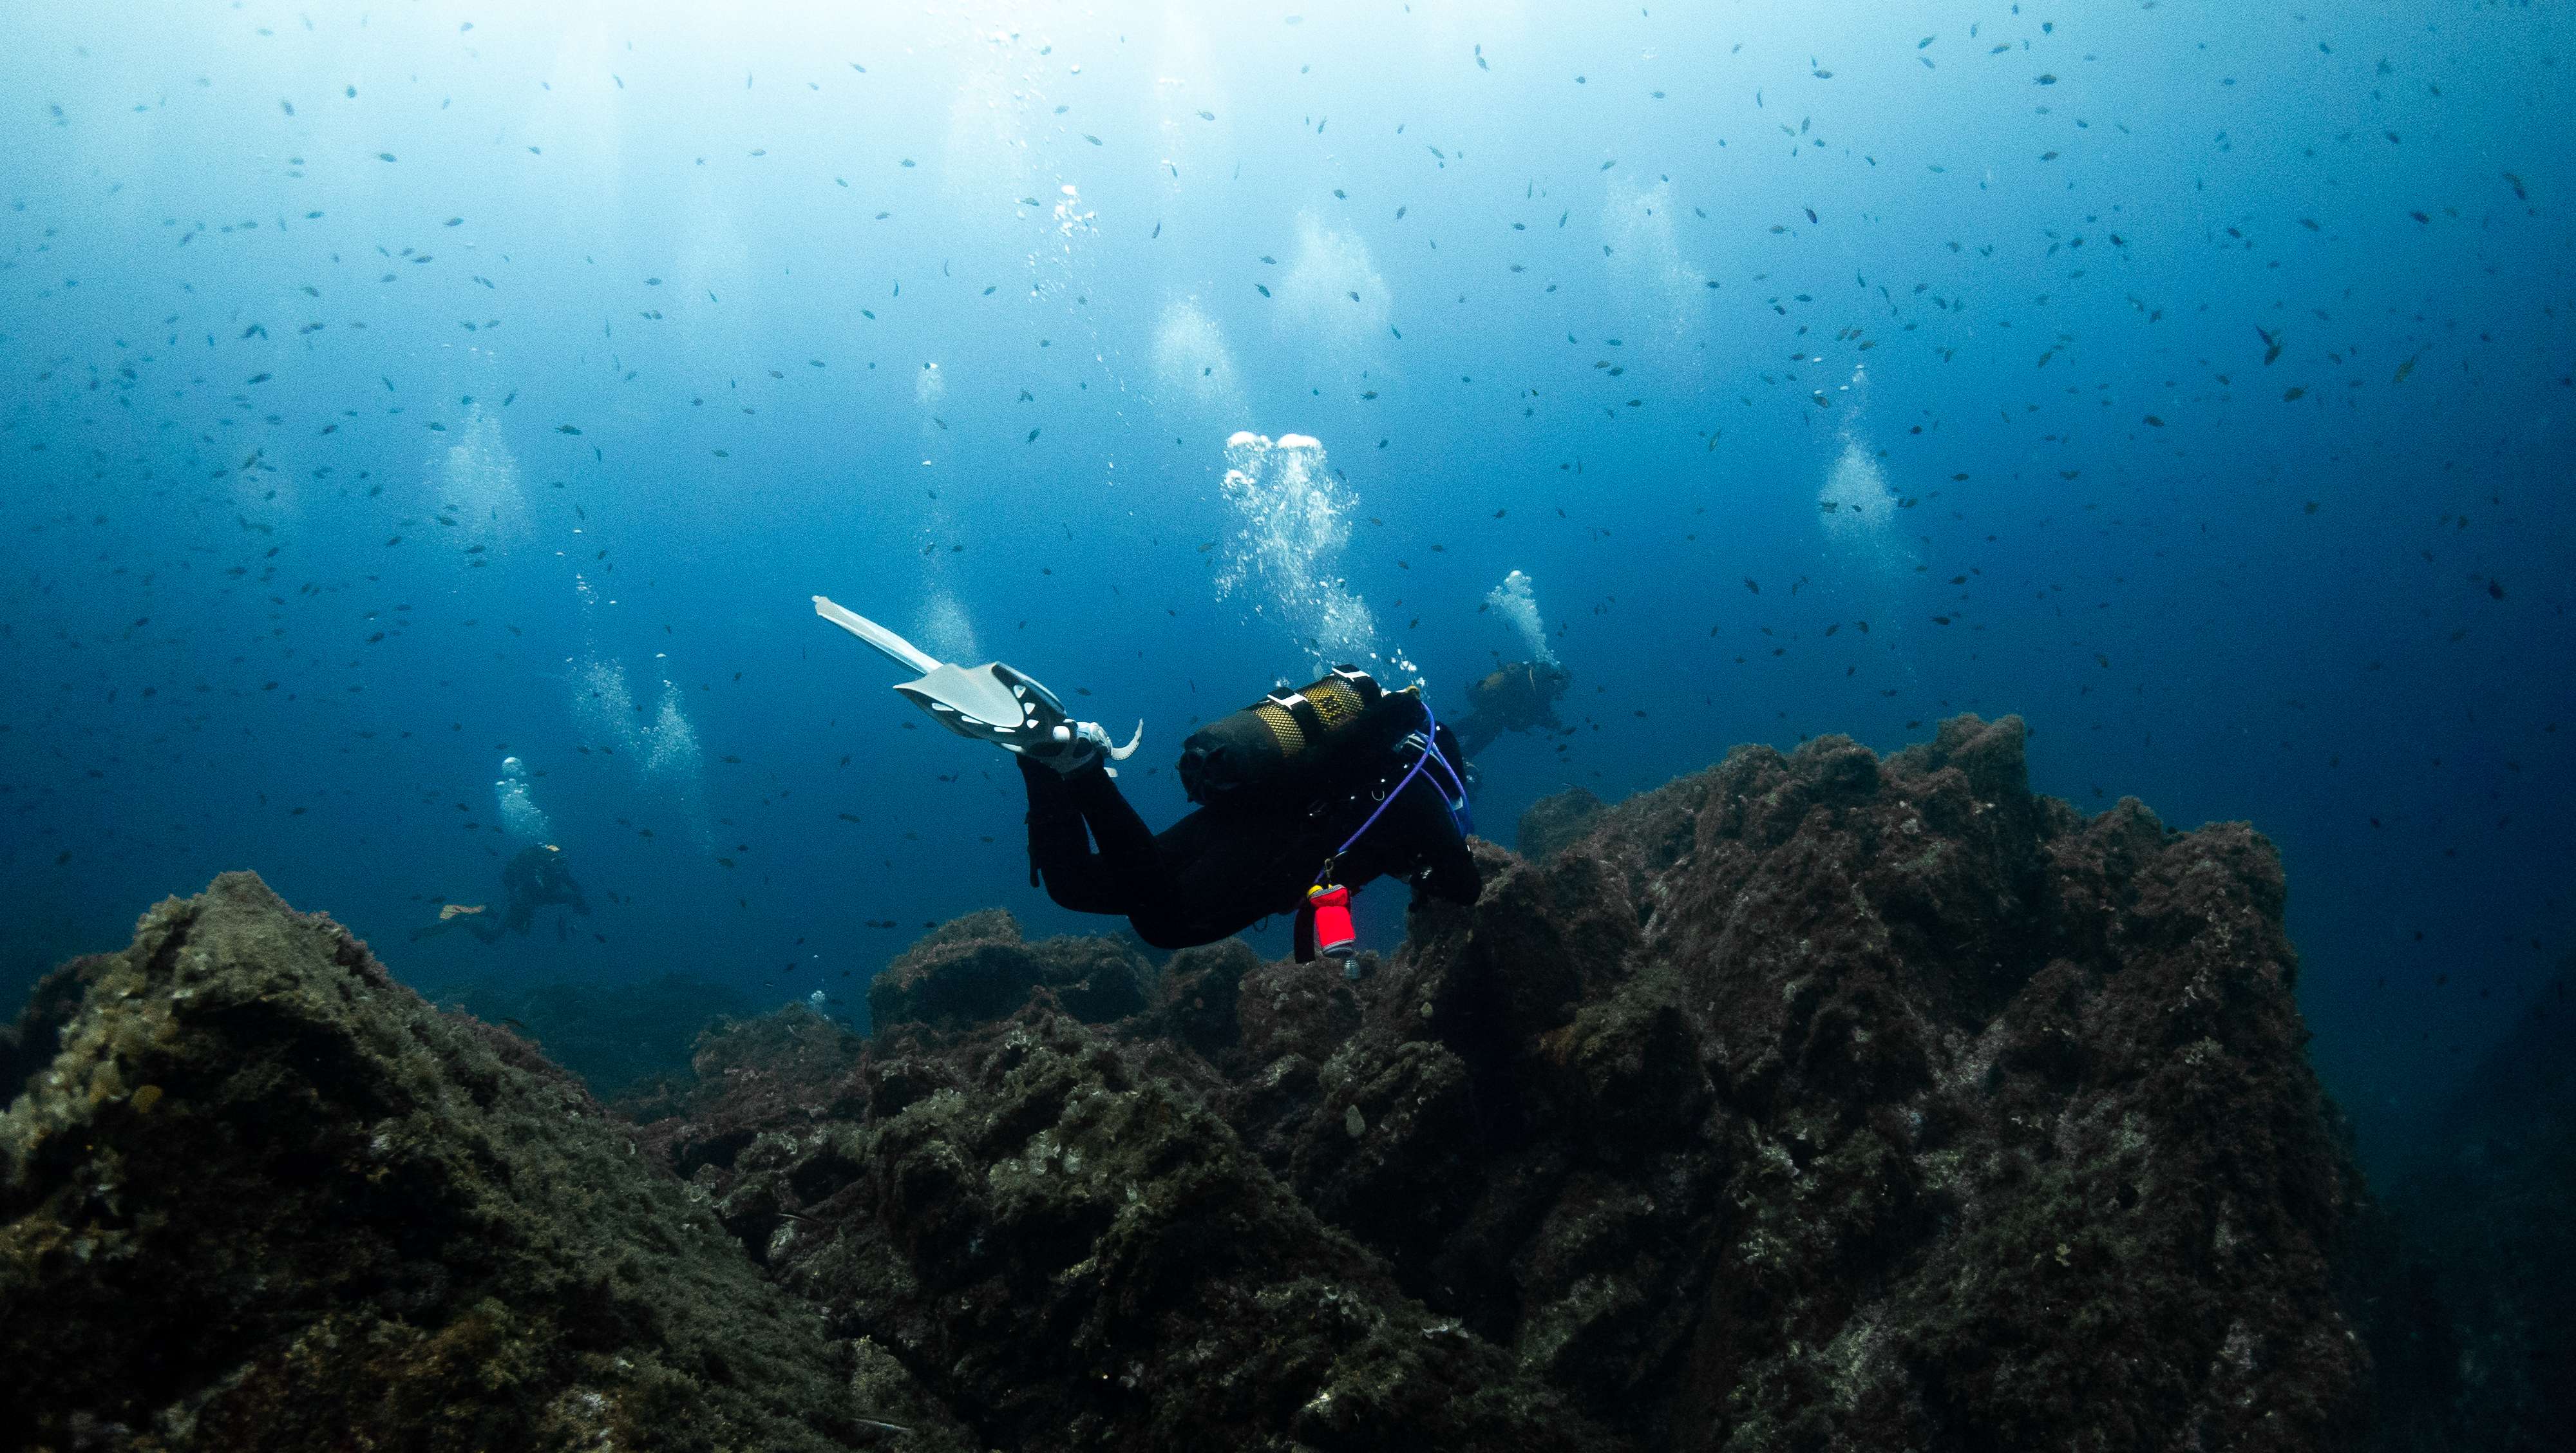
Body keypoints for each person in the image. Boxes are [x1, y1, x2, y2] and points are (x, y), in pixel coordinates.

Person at [1015, 668, 1479, 965]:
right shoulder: (1420, 790)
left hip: (1236, 813)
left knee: (1076, 885)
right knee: (1164, 921)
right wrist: (1424, 870)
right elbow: (1465, 887)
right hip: (1272, 849)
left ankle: (1043, 763)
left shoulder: (1370, 758)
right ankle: (1082, 771)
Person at [415, 843, 591, 944]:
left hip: (525, 904)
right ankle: (462, 919)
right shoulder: (542, 876)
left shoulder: (556, 872)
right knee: (493, 936)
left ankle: (487, 910)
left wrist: (578, 900)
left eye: (561, 863)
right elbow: (545, 894)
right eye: (558, 863)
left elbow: (571, 886)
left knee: (521, 931)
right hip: (518, 903)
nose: (560, 867)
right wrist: (573, 899)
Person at [1450, 659, 1571, 759]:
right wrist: (1543, 720)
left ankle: (1444, 746)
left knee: (1467, 732)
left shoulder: (1537, 688)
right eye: (1561, 686)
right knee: (1475, 738)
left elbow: (1521, 719)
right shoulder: (1535, 688)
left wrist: (1545, 720)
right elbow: (1517, 724)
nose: (1559, 691)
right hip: (1492, 716)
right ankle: (1453, 759)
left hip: (1491, 716)